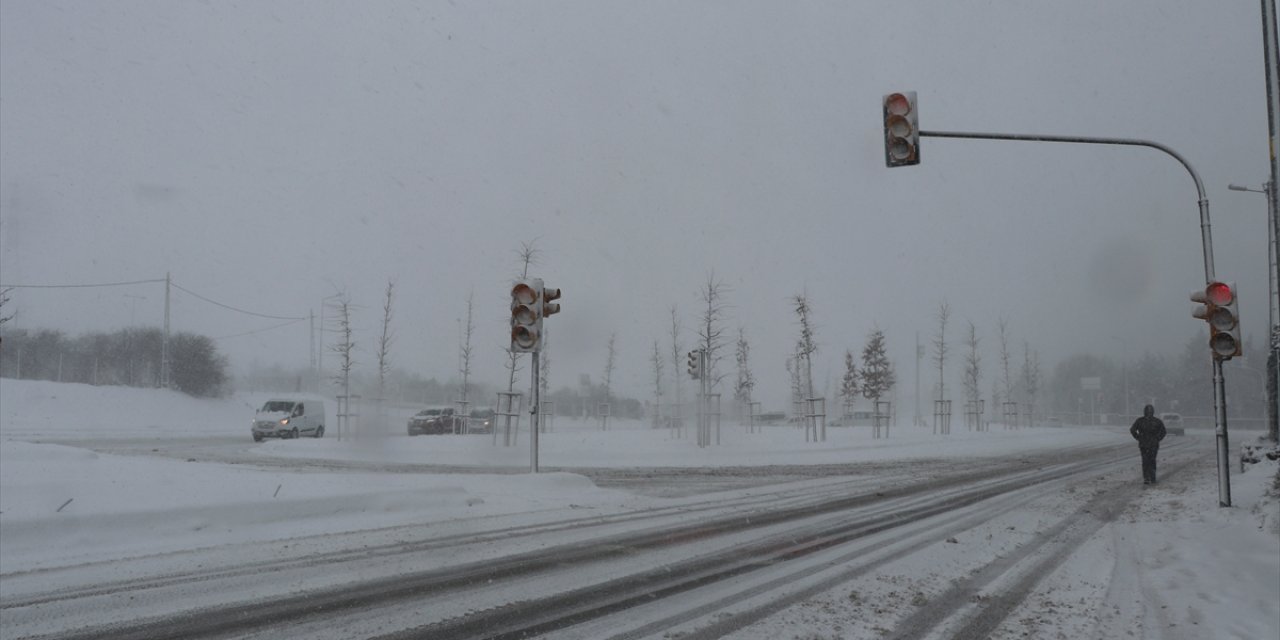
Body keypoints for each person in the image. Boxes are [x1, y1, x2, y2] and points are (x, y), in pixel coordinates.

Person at [1129, 404, 1167, 484]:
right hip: (1147, 444)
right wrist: (1139, 437)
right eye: (1148, 411)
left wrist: (1139, 437)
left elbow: (1163, 431)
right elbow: (1132, 430)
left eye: (1150, 411)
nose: (1149, 413)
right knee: (1148, 461)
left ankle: (1149, 477)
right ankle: (1149, 477)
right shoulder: (1153, 421)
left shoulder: (1143, 421)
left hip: (1149, 444)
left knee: (1148, 461)